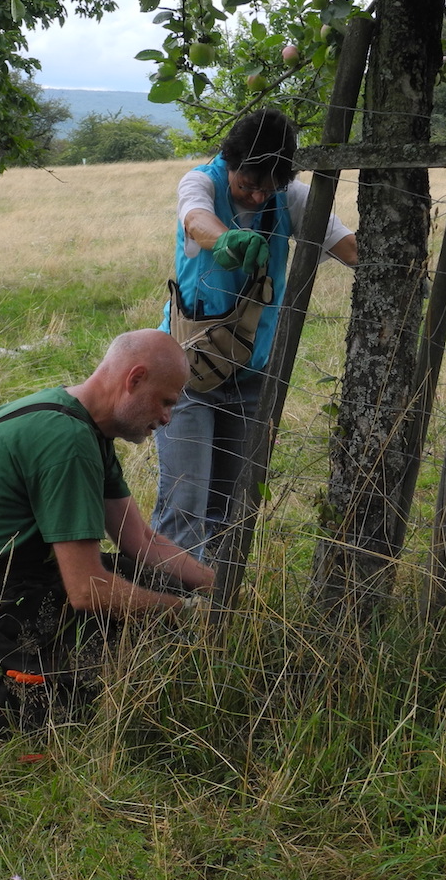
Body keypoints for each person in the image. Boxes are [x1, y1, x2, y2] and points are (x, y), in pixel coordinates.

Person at [0, 329, 216, 737]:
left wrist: (223, 591)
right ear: (134, 379)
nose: (166, 418)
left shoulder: (77, 420)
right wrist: (184, 612)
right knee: (144, 617)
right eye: (166, 402)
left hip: (0, 583)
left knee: (152, 580)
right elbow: (87, 589)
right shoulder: (66, 441)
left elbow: (141, 539)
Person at [153, 108, 357, 561]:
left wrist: (390, 270)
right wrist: (226, 240)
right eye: (248, 184)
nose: (258, 194)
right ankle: (164, 614)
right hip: (187, 374)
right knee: (183, 504)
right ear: (230, 164)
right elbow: (196, 219)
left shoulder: (293, 198)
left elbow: (346, 246)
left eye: (270, 186)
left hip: (252, 377)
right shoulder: (201, 182)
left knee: (232, 509)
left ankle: (215, 610)